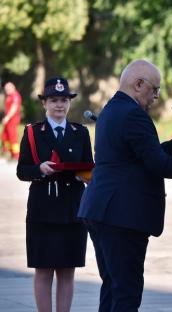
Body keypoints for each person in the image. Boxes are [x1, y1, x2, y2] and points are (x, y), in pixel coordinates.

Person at [78, 59, 172, 311]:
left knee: (113, 287)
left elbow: (144, 155)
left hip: (102, 210)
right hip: (121, 216)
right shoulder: (133, 115)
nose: (157, 96)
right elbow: (156, 164)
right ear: (138, 84)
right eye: (155, 89)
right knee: (126, 292)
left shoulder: (113, 109)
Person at [16, 77, 93, 312]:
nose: (59, 105)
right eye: (53, 100)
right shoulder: (32, 133)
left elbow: (89, 168)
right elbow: (22, 171)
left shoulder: (80, 132)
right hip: (43, 209)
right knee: (44, 270)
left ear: (69, 103)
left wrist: (85, 176)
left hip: (72, 209)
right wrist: (39, 169)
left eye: (63, 100)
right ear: (44, 104)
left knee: (68, 270)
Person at [1, 80, 22, 160]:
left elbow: (14, 107)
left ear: (13, 87)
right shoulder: (10, 96)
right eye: (6, 89)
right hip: (9, 120)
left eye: (8, 89)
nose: (7, 90)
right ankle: (8, 152)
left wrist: (7, 117)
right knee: (5, 136)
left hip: (12, 119)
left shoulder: (15, 96)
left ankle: (16, 154)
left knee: (12, 137)